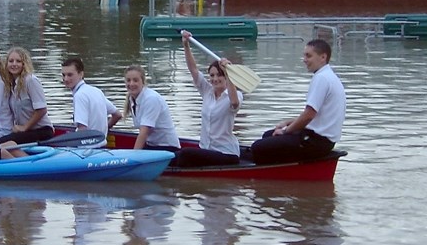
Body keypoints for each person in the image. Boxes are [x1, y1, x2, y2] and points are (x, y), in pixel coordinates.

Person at [251, 39, 346, 164]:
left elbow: (309, 115)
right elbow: (314, 115)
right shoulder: (329, 76)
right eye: (304, 55)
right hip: (324, 141)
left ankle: (280, 172)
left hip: (316, 142)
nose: (304, 60)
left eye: (309, 56)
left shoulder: (321, 78)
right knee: (268, 135)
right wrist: (287, 123)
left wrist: (285, 131)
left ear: (323, 57)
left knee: (257, 147)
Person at [172, 30, 242, 167]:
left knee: (185, 154)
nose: (215, 79)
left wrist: (228, 72)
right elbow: (193, 70)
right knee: (175, 156)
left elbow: (234, 103)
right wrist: (186, 45)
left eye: (219, 75)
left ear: (226, 77)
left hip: (227, 153)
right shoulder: (207, 91)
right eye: (212, 75)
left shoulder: (234, 94)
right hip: (206, 150)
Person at [61, 57, 122, 147]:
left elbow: (82, 129)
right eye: (63, 75)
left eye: (70, 75)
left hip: (87, 151)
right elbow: (117, 115)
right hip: (102, 146)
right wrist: (103, 131)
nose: (66, 79)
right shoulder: (96, 91)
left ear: (81, 74)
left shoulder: (79, 95)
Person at [0, 47, 54, 144]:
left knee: (2, 142)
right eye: (11, 61)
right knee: (1, 140)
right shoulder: (11, 85)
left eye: (18, 61)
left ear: (24, 64)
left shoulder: (31, 80)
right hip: (26, 131)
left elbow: (42, 109)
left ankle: (23, 157)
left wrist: (24, 127)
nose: (14, 64)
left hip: (42, 130)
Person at [123, 64, 180, 151]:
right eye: (128, 80)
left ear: (143, 81)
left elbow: (144, 132)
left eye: (135, 80)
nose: (131, 84)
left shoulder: (151, 99)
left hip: (167, 147)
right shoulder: (132, 98)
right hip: (151, 145)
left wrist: (133, 156)